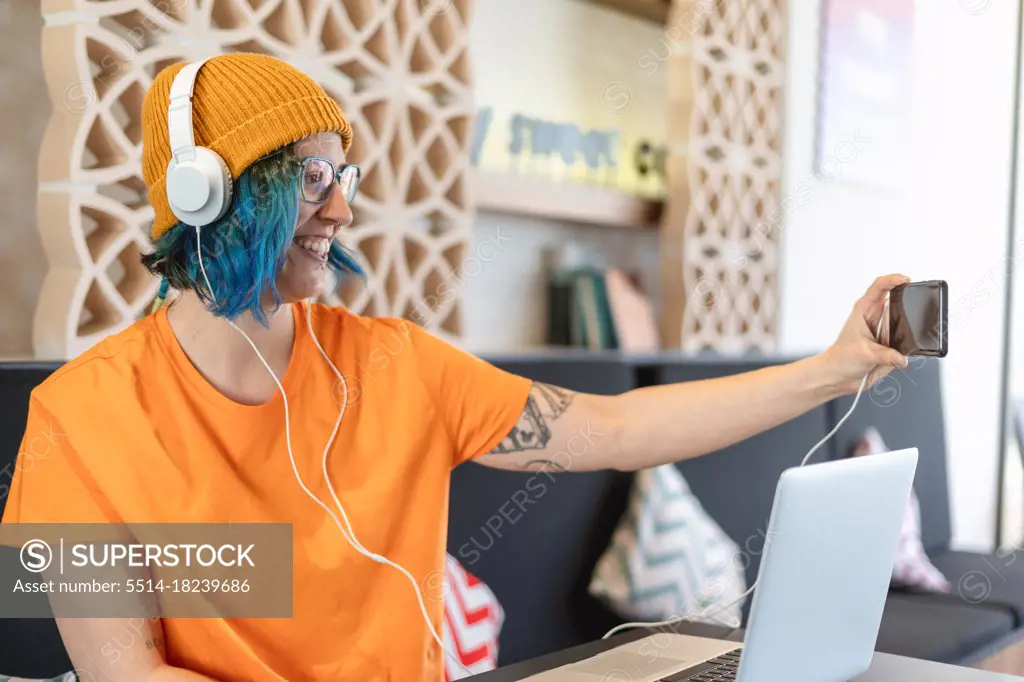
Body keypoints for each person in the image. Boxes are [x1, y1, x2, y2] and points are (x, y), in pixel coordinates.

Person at [1, 53, 909, 682]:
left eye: (344, 177)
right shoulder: (77, 419)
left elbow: (623, 429)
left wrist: (832, 370)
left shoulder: (395, 365)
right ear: (210, 194)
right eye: (311, 179)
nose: (343, 210)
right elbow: (123, 669)